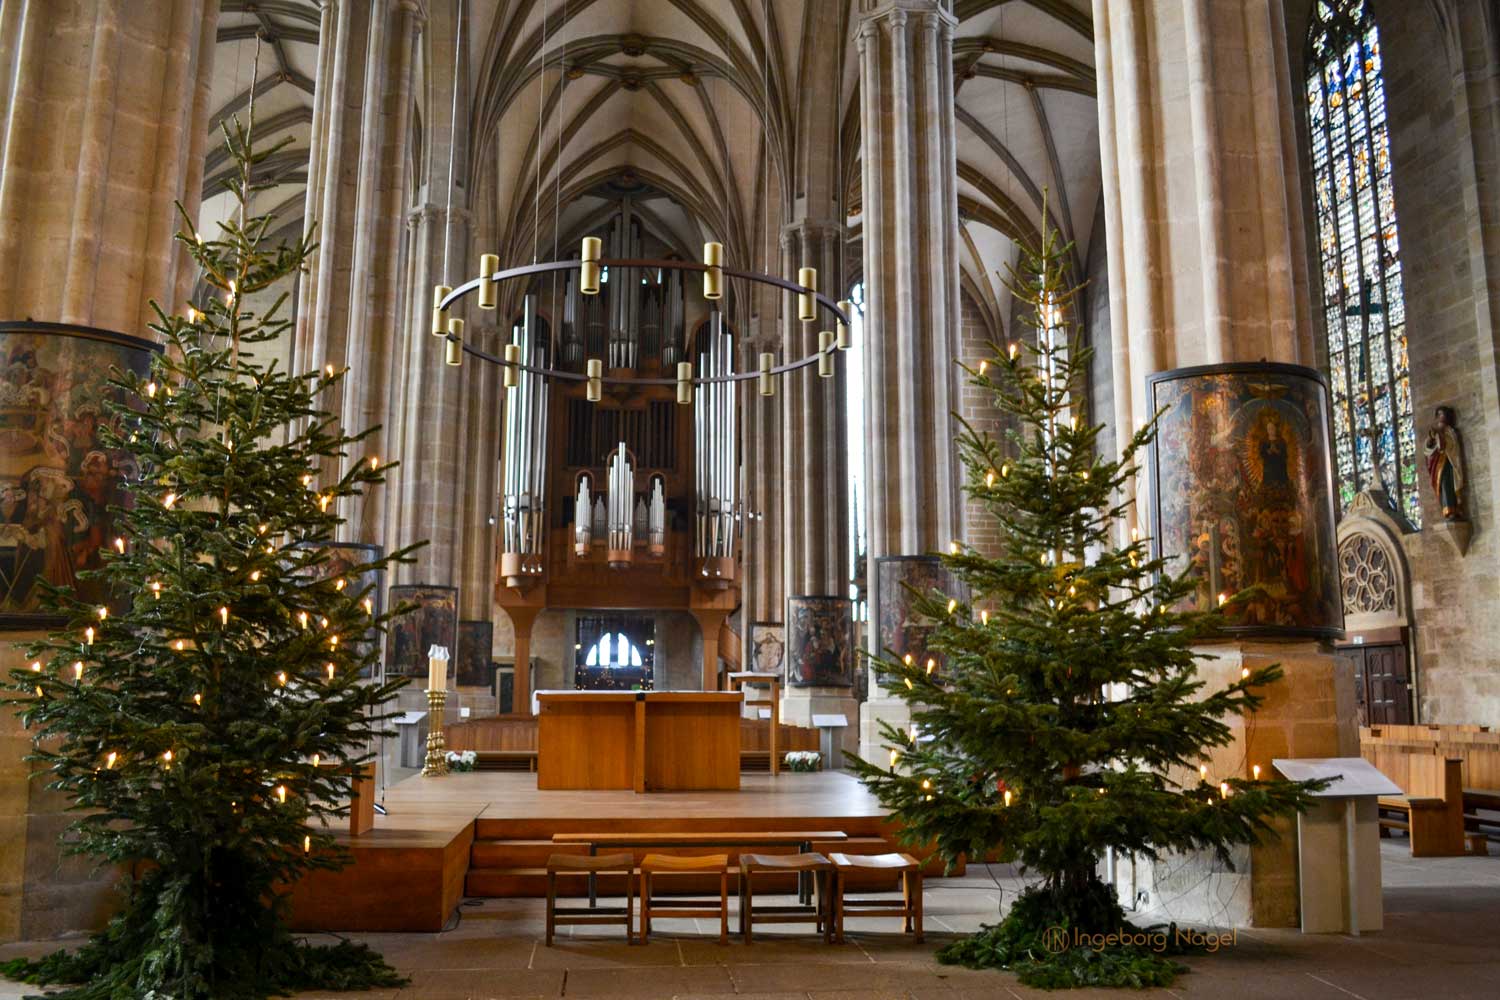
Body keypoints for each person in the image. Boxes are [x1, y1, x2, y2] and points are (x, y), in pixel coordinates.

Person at [1423, 406, 1465, 520]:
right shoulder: (1433, 431)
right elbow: (1428, 449)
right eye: (1440, 415)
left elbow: (1452, 446)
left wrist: (1441, 435)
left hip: (1449, 462)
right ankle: (1448, 510)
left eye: (1444, 415)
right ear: (1437, 417)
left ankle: (1454, 509)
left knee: (1450, 484)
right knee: (1444, 485)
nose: (1442, 417)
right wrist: (1432, 439)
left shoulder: (1450, 431)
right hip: (1438, 465)